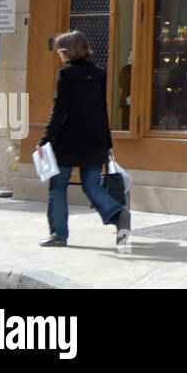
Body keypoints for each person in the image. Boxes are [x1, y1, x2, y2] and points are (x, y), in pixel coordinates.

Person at [39, 30, 128, 246]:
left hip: (68, 139)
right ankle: (118, 214)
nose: (59, 56)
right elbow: (102, 109)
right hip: (95, 138)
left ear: (69, 51)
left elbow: (59, 110)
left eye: (61, 51)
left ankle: (59, 234)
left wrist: (45, 140)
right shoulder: (99, 73)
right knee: (91, 185)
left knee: (58, 185)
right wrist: (107, 141)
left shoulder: (65, 74)